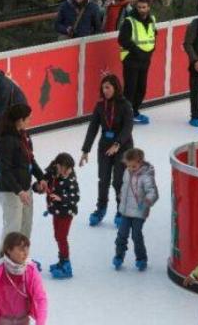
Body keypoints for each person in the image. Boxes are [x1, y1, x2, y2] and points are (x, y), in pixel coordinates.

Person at [79, 74, 134, 227]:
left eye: (108, 87)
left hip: (122, 147)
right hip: (104, 146)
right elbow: (93, 128)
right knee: (103, 179)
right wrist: (85, 150)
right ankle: (101, 208)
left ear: (115, 88)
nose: (105, 91)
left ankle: (121, 210)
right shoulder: (100, 106)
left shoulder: (125, 105)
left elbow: (128, 127)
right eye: (103, 88)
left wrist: (117, 144)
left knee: (118, 181)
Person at [0, 104, 45, 241]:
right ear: (19, 120)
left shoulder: (24, 135)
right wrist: (19, 191)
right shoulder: (6, 140)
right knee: (13, 229)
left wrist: (41, 177)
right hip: (11, 192)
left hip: (25, 188)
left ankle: (23, 253)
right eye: (28, 118)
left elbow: (31, 159)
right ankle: (7, 254)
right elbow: (5, 170)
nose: (30, 121)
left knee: (25, 226)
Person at [113, 148, 158, 272]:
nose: (131, 168)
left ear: (141, 162)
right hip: (126, 211)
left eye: (133, 166)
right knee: (122, 234)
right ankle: (119, 256)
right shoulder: (127, 172)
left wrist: (147, 202)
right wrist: (122, 195)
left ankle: (141, 258)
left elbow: (152, 192)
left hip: (139, 211)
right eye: (128, 166)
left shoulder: (146, 176)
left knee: (136, 235)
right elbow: (125, 186)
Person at [118, 0, 157, 124]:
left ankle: (134, 111)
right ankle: (126, 115)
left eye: (144, 7)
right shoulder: (129, 21)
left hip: (145, 59)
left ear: (148, 8)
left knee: (141, 88)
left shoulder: (152, 20)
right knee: (130, 89)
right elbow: (122, 40)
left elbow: (152, 37)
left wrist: (150, 51)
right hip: (131, 59)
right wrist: (137, 52)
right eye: (139, 7)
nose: (141, 10)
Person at [42, 153, 79, 280]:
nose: (68, 171)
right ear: (58, 166)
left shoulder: (71, 180)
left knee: (62, 237)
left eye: (69, 169)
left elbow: (75, 197)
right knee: (57, 236)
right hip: (56, 211)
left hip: (66, 213)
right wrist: (41, 183)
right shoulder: (53, 171)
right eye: (65, 168)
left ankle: (66, 264)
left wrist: (61, 198)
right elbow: (45, 177)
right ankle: (61, 261)